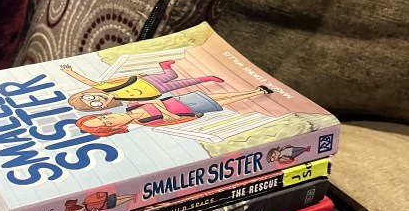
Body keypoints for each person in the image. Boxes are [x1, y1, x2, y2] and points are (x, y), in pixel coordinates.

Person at [75, 85, 273, 136]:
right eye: (108, 124)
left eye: (103, 118)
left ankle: (251, 91)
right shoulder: (144, 122)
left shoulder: (131, 106)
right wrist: (168, 112)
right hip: (185, 109)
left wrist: (163, 107)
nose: (110, 119)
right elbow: (168, 119)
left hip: (178, 101)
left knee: (218, 97)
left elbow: (155, 100)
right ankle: (253, 93)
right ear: (115, 128)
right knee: (217, 102)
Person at [61, 60, 224, 110]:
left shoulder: (105, 87)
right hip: (155, 91)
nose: (95, 99)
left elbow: (87, 82)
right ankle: (207, 78)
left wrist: (70, 72)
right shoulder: (120, 101)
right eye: (93, 103)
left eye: (88, 97)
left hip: (145, 81)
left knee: (172, 75)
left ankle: (165, 66)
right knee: (182, 83)